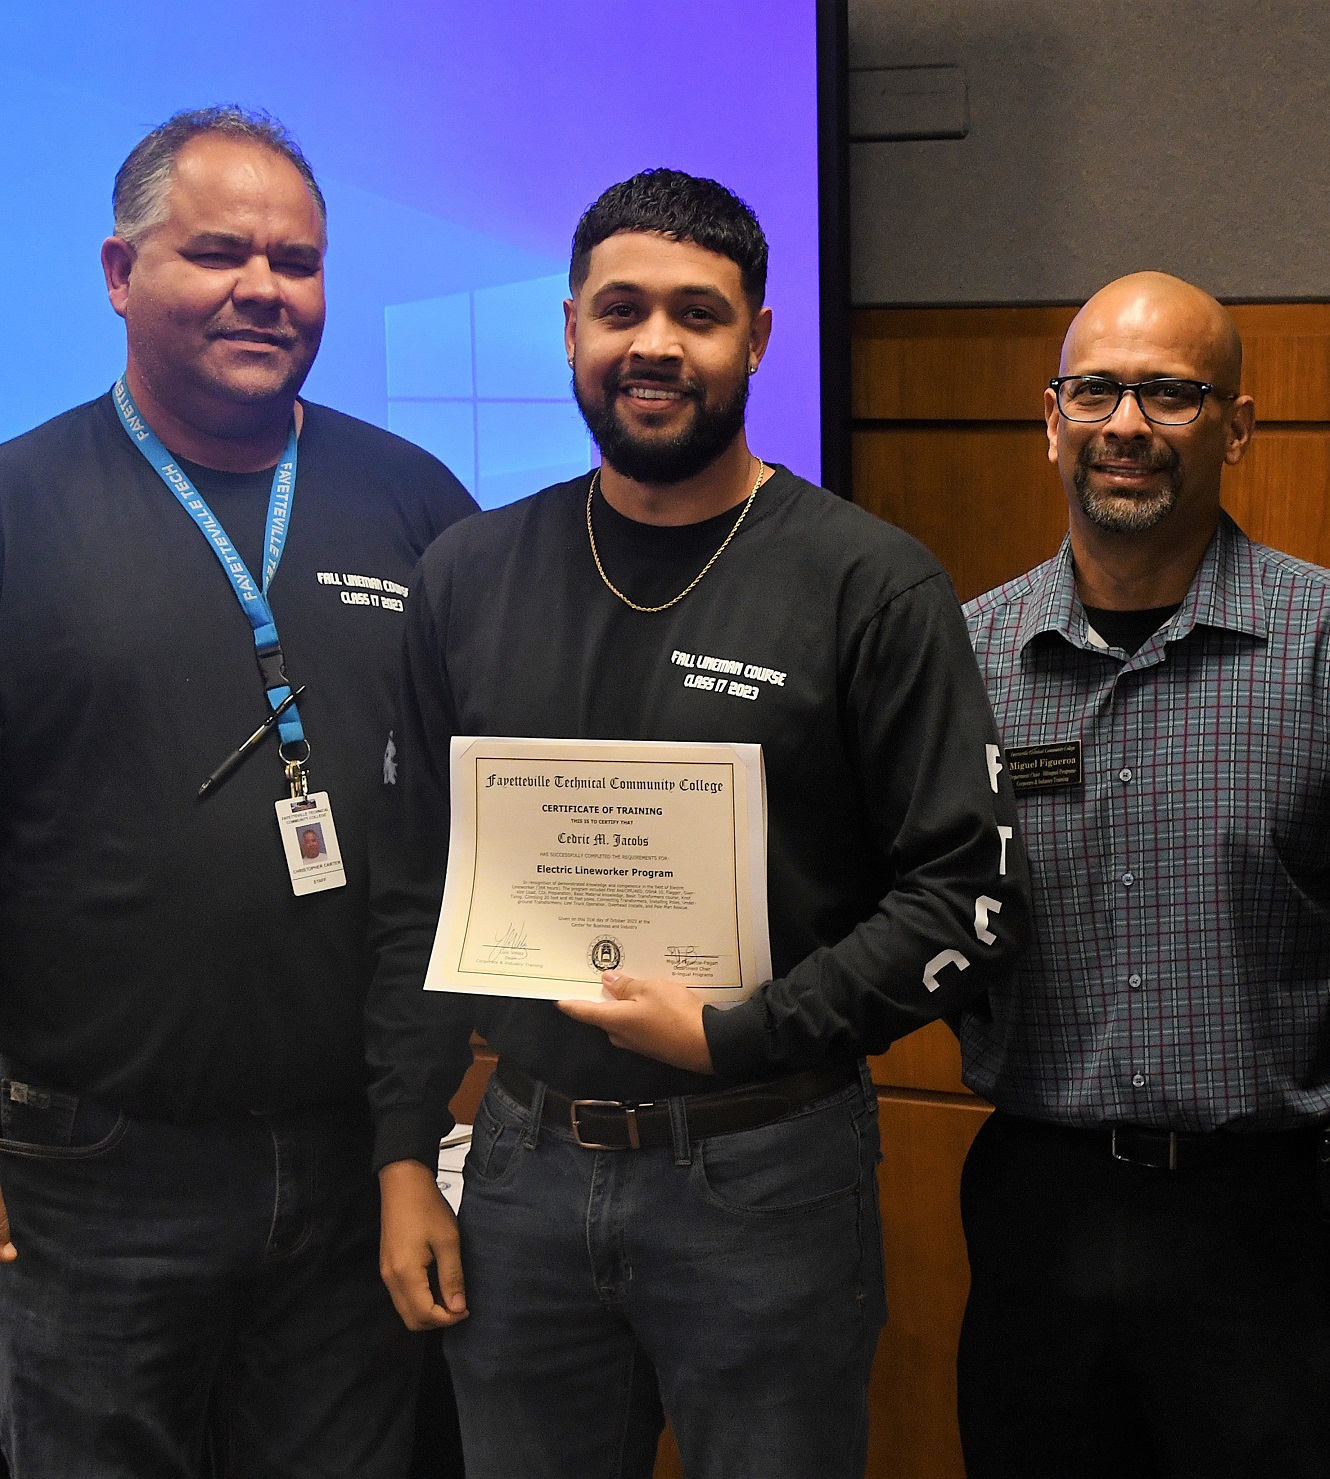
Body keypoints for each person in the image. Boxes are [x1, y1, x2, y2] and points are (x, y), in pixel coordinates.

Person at [0, 106, 478, 1476]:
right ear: (121, 273)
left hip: (355, 1150)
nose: (264, 288)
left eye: (296, 261)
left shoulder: (418, 505)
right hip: (89, 1168)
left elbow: (456, 829)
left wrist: (420, 1122)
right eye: (219, 252)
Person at [366, 168, 1026, 1479]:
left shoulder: (867, 581)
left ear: (757, 338)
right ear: (568, 328)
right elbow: (412, 890)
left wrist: (737, 1030)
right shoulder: (468, 575)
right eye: (621, 309)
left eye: (696, 312)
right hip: (522, 1157)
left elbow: (961, 893)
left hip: (764, 1166)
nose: (654, 343)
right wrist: (397, 1149)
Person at [954, 271, 1330, 1478]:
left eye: (1171, 393)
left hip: (1281, 1230)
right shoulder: (961, 659)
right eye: (1098, 390)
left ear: (1235, 426)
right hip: (1040, 1217)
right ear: (1051, 417)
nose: (1127, 423)